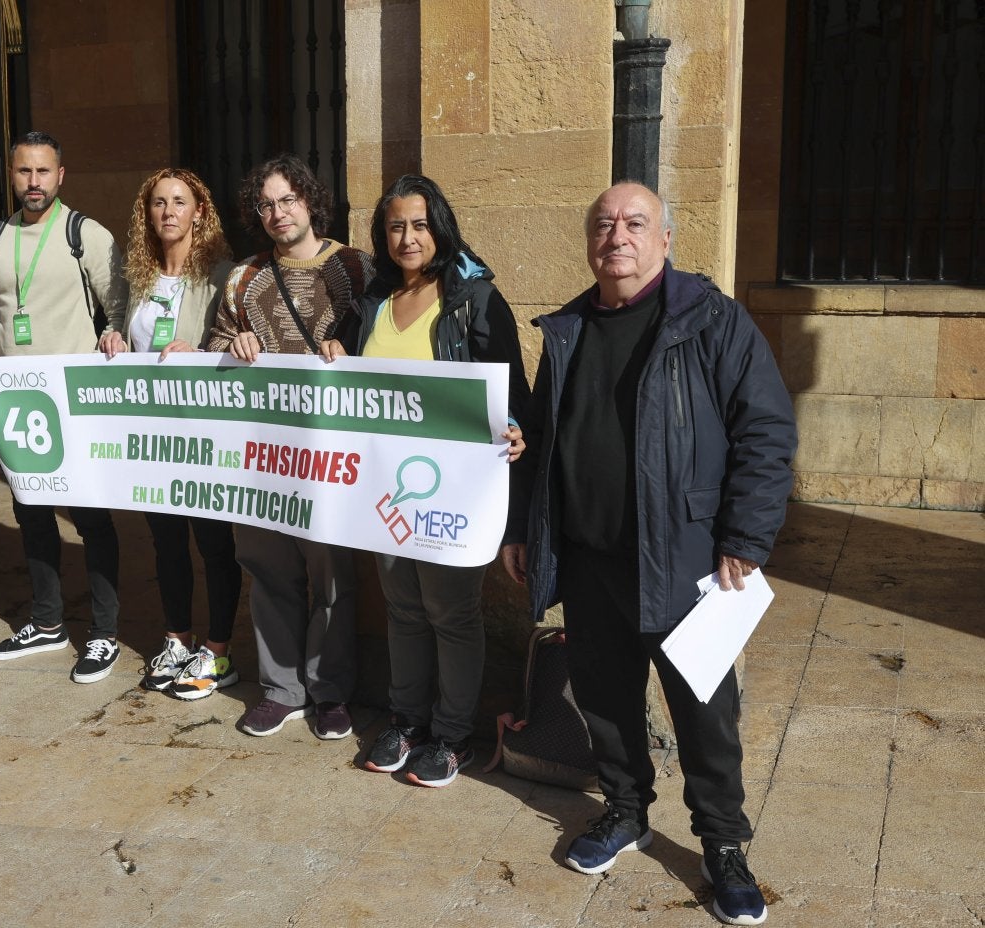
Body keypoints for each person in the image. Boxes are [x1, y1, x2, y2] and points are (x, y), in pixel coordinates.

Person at [504, 182, 796, 927]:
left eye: (635, 224)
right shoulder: (566, 329)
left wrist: (747, 537)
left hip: (689, 560)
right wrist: (523, 529)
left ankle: (723, 846)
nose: (617, 237)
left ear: (665, 240)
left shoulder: (712, 321)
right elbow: (539, 441)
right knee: (604, 698)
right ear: (589, 241)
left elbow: (765, 428)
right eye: (603, 225)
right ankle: (626, 812)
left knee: (704, 710)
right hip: (590, 557)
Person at [341, 175, 528, 786]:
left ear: (439, 228)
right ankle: (407, 719)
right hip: (386, 489)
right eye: (395, 226)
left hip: (452, 491)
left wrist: (517, 429)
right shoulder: (372, 303)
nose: (407, 237)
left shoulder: (473, 299)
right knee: (402, 608)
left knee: (451, 612)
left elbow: (512, 392)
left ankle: (451, 737)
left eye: (420, 224)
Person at [206, 153, 373, 738]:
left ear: (309, 202)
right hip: (261, 457)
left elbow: (385, 345)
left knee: (331, 577)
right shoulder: (244, 278)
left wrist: (351, 355)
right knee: (268, 570)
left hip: (328, 456)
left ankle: (330, 692)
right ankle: (280, 689)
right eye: (266, 205)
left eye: (288, 200)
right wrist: (235, 343)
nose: (278, 213)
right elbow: (215, 348)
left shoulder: (355, 269)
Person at [0, 131, 130, 684]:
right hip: (19, 401)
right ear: (11, 176)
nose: (33, 183)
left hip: (74, 402)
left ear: (62, 175)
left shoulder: (86, 234)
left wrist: (114, 335)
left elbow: (120, 306)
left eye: (43, 172)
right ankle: (48, 621)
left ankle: (104, 633)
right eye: (23, 172)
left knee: (89, 518)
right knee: (31, 512)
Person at [101, 168, 243, 700]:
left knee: (212, 543)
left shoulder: (222, 274)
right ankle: (178, 640)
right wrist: (113, 335)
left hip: (201, 436)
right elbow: (128, 335)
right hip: (153, 437)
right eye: (158, 203)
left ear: (198, 212)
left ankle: (219, 650)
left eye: (179, 202)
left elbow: (239, 345)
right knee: (166, 542)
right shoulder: (138, 279)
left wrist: (203, 352)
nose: (168, 212)